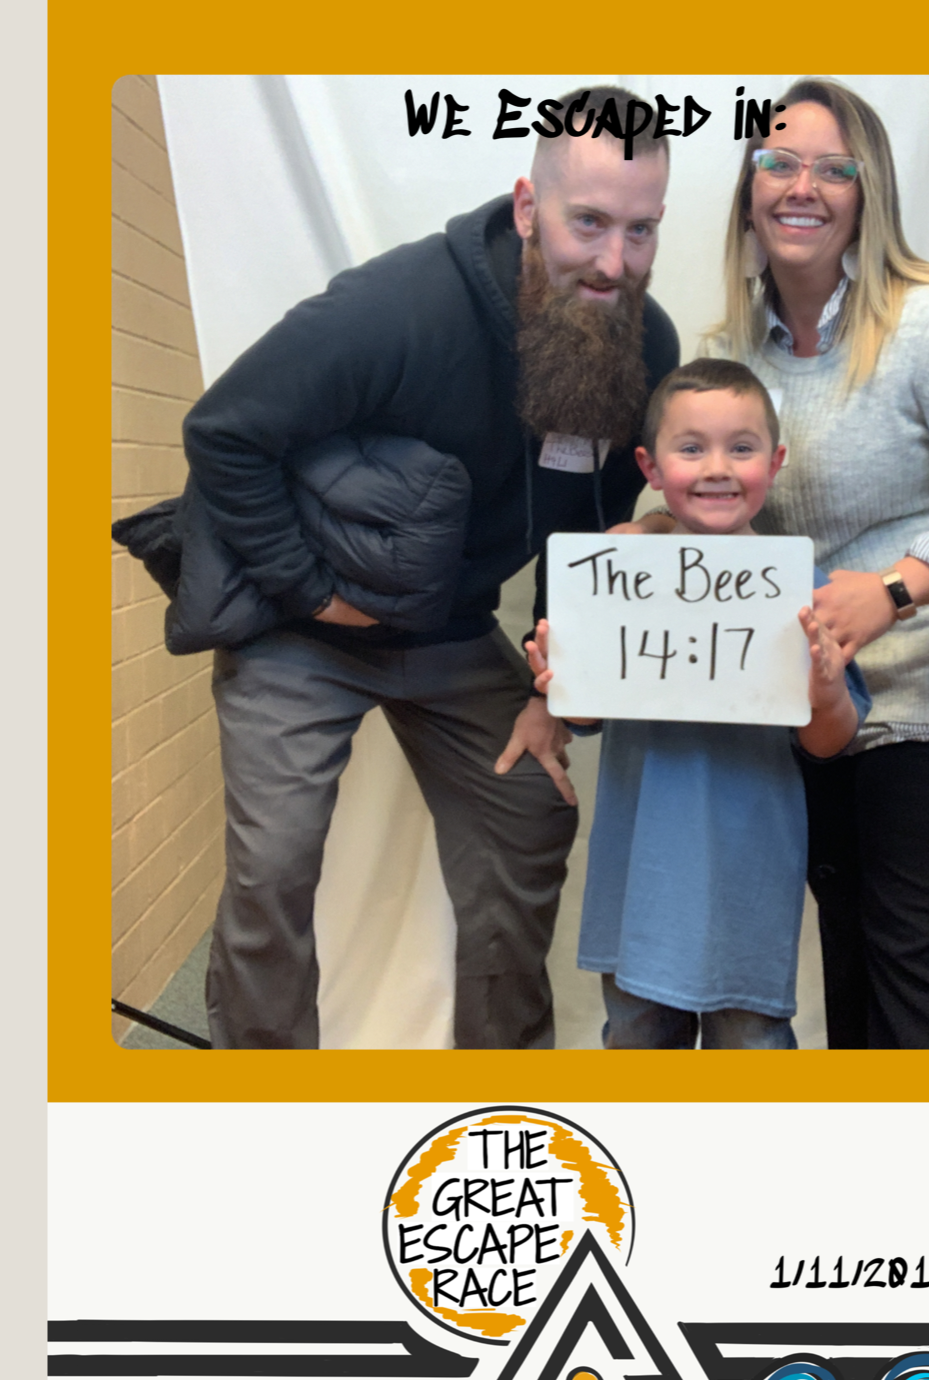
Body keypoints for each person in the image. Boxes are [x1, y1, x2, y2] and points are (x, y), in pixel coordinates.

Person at [179, 87, 680, 1049]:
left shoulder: (643, 346)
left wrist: (556, 693)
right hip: (300, 633)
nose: (615, 262)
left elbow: (593, 537)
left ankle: (504, 1076)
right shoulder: (396, 307)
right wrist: (310, 590)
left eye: (641, 231)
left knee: (531, 808)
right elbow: (225, 433)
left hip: (452, 631)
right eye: (588, 222)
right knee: (275, 862)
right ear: (529, 207)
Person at [709, 78, 929, 1049]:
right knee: (857, 994)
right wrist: (646, 539)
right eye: (778, 162)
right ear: (748, 187)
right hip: (827, 718)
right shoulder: (737, 357)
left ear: (869, 194)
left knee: (926, 999)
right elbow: (724, 510)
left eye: (833, 168)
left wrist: (896, 589)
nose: (801, 186)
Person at [526, 359, 871, 1049]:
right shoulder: (619, 578)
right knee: (637, 1039)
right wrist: (561, 683)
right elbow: (586, 718)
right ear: (651, 469)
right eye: (692, 448)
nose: (718, 468)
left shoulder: (803, 586)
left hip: (748, 877)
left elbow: (829, 741)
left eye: (741, 448)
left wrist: (827, 687)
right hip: (638, 878)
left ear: (774, 463)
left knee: (751, 1045)